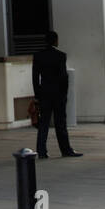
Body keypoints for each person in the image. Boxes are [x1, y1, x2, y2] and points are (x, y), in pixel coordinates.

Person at [32, 31, 81, 159]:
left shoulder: (38, 56)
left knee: (43, 124)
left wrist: (37, 95)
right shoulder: (61, 56)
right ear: (56, 41)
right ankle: (65, 150)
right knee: (60, 124)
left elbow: (35, 77)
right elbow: (64, 78)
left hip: (44, 94)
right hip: (58, 94)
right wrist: (64, 95)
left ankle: (42, 151)